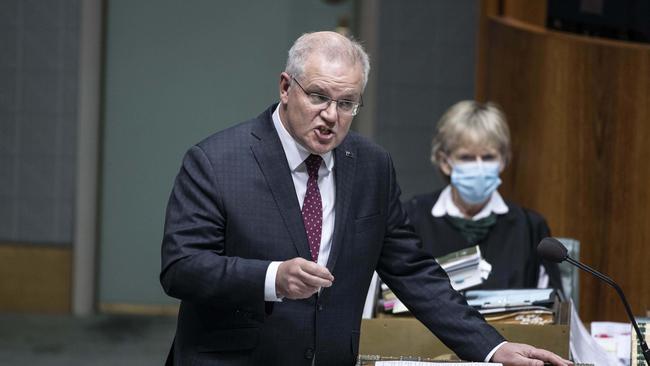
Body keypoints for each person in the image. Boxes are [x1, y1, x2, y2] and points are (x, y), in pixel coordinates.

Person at [160, 31, 571, 365]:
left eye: (347, 104)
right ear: (286, 87)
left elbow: (412, 271)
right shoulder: (216, 160)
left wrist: (491, 347)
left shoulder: (371, 166)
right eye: (318, 97)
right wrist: (271, 278)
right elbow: (181, 267)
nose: (331, 116)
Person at [404, 101, 563, 292]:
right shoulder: (411, 219)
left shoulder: (530, 228)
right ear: (444, 161)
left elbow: (550, 308)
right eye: (467, 158)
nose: (479, 167)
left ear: (503, 160)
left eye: (488, 157)